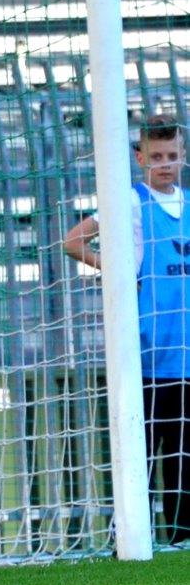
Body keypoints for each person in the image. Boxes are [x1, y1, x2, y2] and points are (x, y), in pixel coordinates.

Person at [63, 113, 190, 545]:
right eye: (156, 157)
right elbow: (73, 241)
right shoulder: (131, 202)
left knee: (183, 458)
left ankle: (181, 541)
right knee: (142, 455)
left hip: (185, 355)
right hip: (146, 356)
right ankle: (130, 538)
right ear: (140, 158)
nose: (164, 164)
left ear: (183, 156)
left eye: (171, 155)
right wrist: (118, 269)